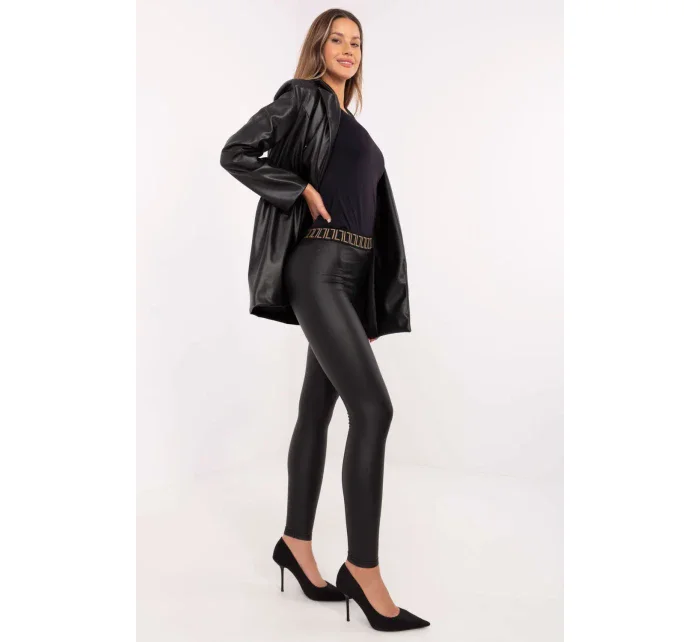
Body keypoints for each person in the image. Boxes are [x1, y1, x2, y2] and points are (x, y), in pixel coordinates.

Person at [220, 9, 429, 632]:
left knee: (317, 411)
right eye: (336, 39)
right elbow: (235, 152)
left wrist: (368, 304)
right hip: (317, 268)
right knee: (374, 410)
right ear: (318, 46)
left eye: (355, 42)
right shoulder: (303, 98)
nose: (347, 49)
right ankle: (363, 571)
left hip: (349, 279)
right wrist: (298, 190)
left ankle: (296, 543)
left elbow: (373, 219)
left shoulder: (355, 127)